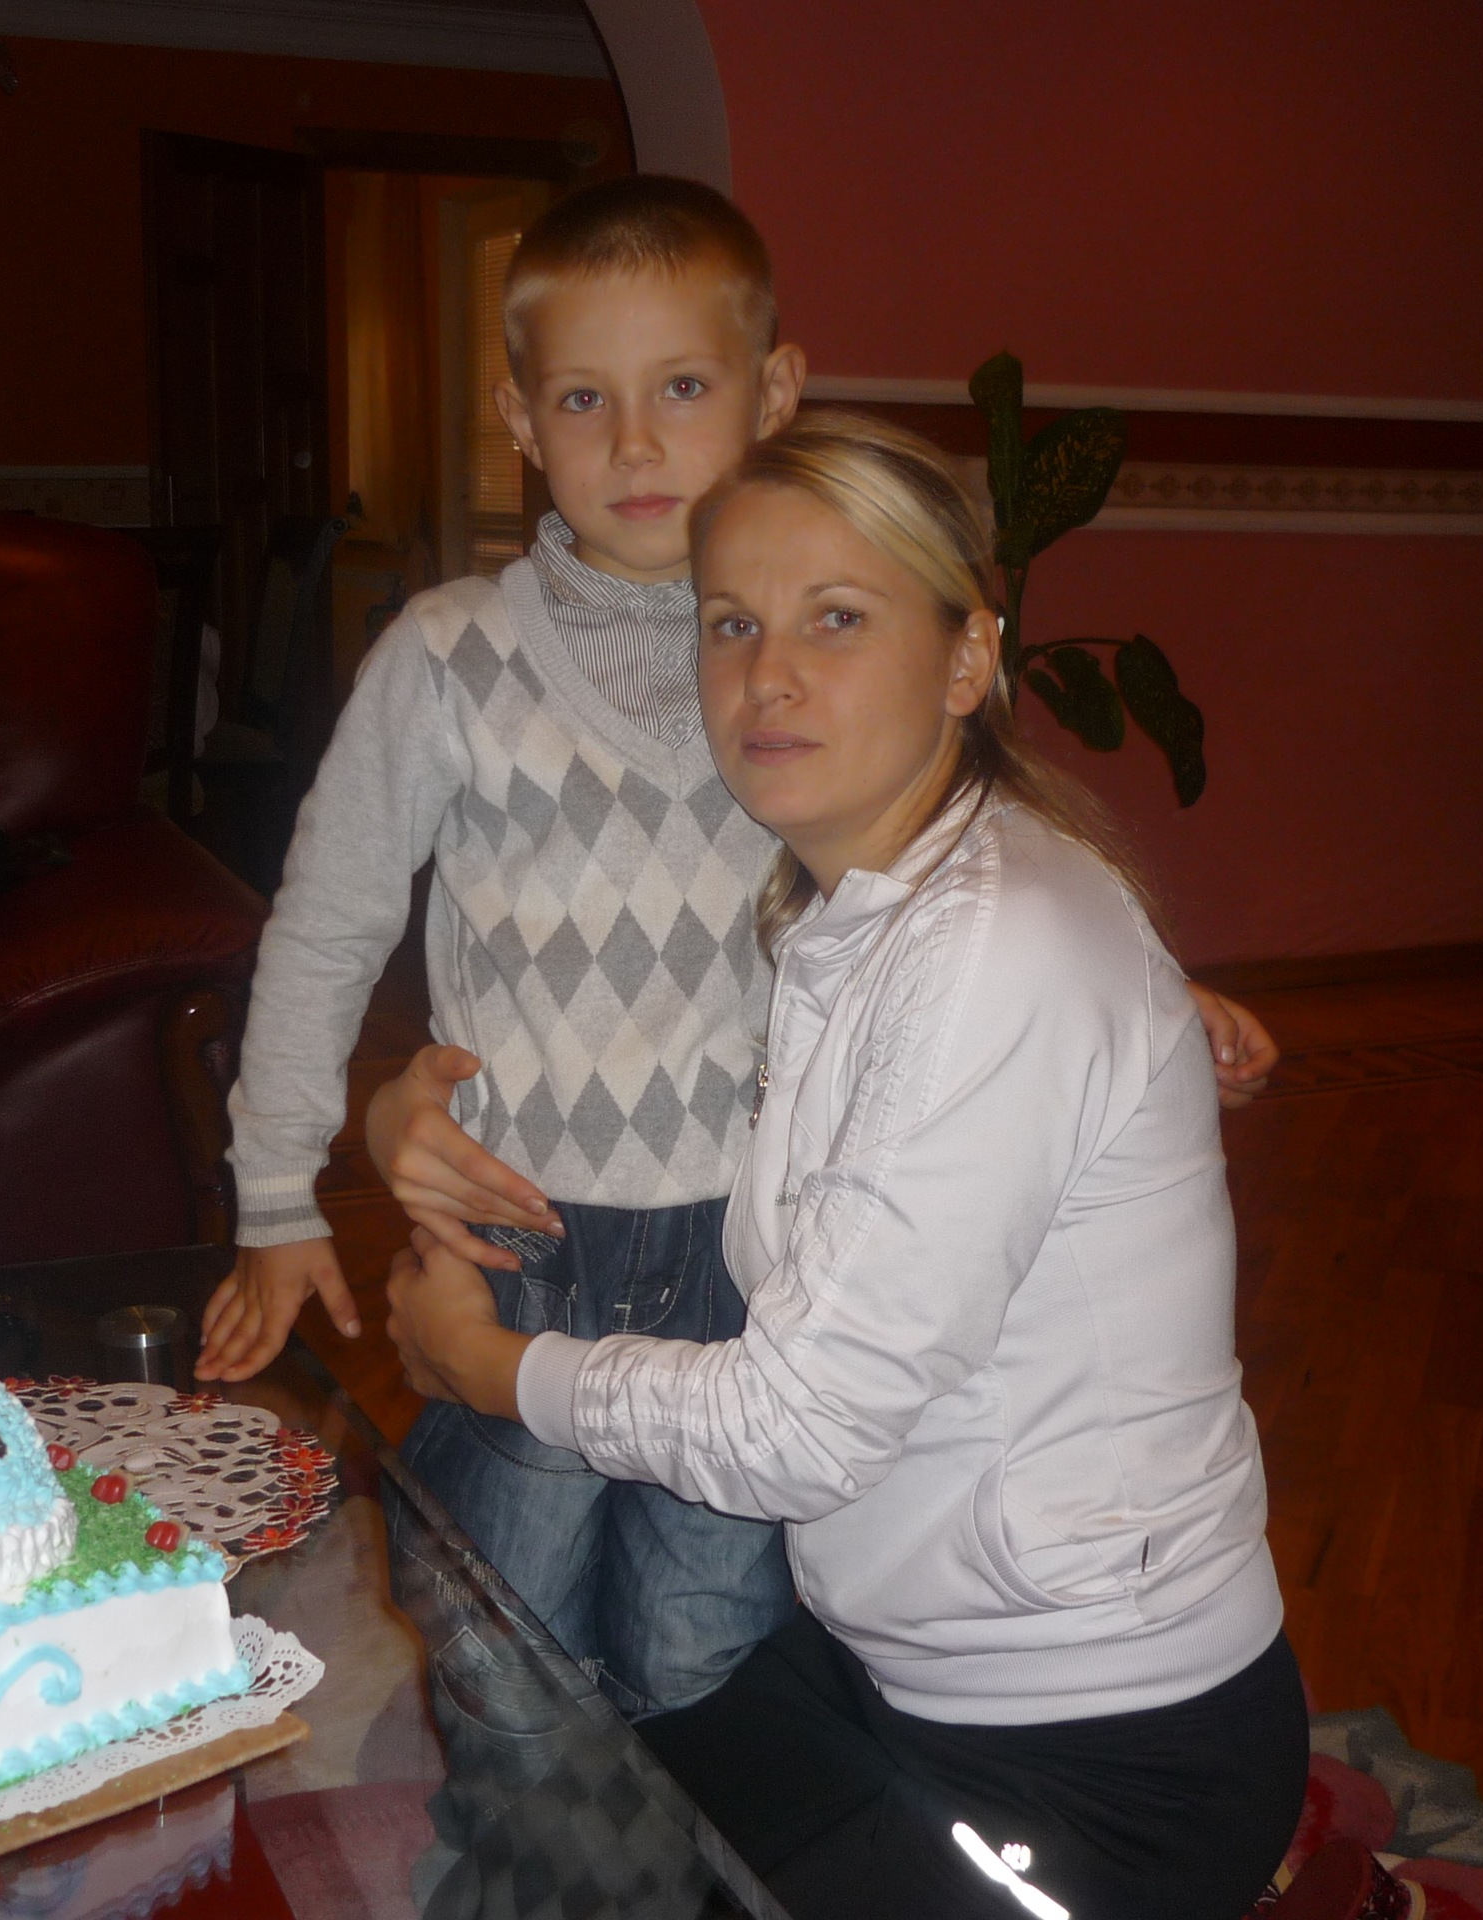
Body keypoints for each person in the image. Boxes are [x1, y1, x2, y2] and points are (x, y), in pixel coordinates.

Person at [199, 174, 1276, 1719]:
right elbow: (326, 921)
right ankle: (522, 1839)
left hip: (760, 1240)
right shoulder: (447, 658)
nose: (636, 445)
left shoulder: (811, 661)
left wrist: (1145, 994)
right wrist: (275, 1191)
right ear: (517, 416)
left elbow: (952, 869)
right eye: (585, 398)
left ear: (773, 393)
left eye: (684, 390)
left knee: (701, 1641)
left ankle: (690, 1832)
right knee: (499, 1620)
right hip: (521, 1232)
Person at [385, 412, 1308, 1920]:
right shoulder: (849, 904)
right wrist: (396, 1116)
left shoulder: (993, 942)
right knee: (602, 1819)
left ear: (966, 659)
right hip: (905, 1669)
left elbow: (797, 1431)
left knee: (617, 1868)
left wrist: (489, 1367)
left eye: (837, 619)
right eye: (731, 623)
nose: (768, 675)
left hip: (1097, 1762)